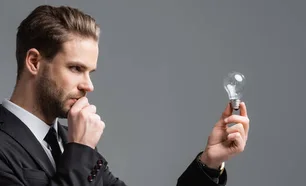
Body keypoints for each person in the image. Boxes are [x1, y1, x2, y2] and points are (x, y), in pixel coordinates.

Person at [0, 5, 250, 186]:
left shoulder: (71, 141)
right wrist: (81, 150)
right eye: (76, 68)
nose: (88, 85)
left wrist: (208, 164)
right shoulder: (77, 146)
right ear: (34, 61)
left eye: (91, 72)